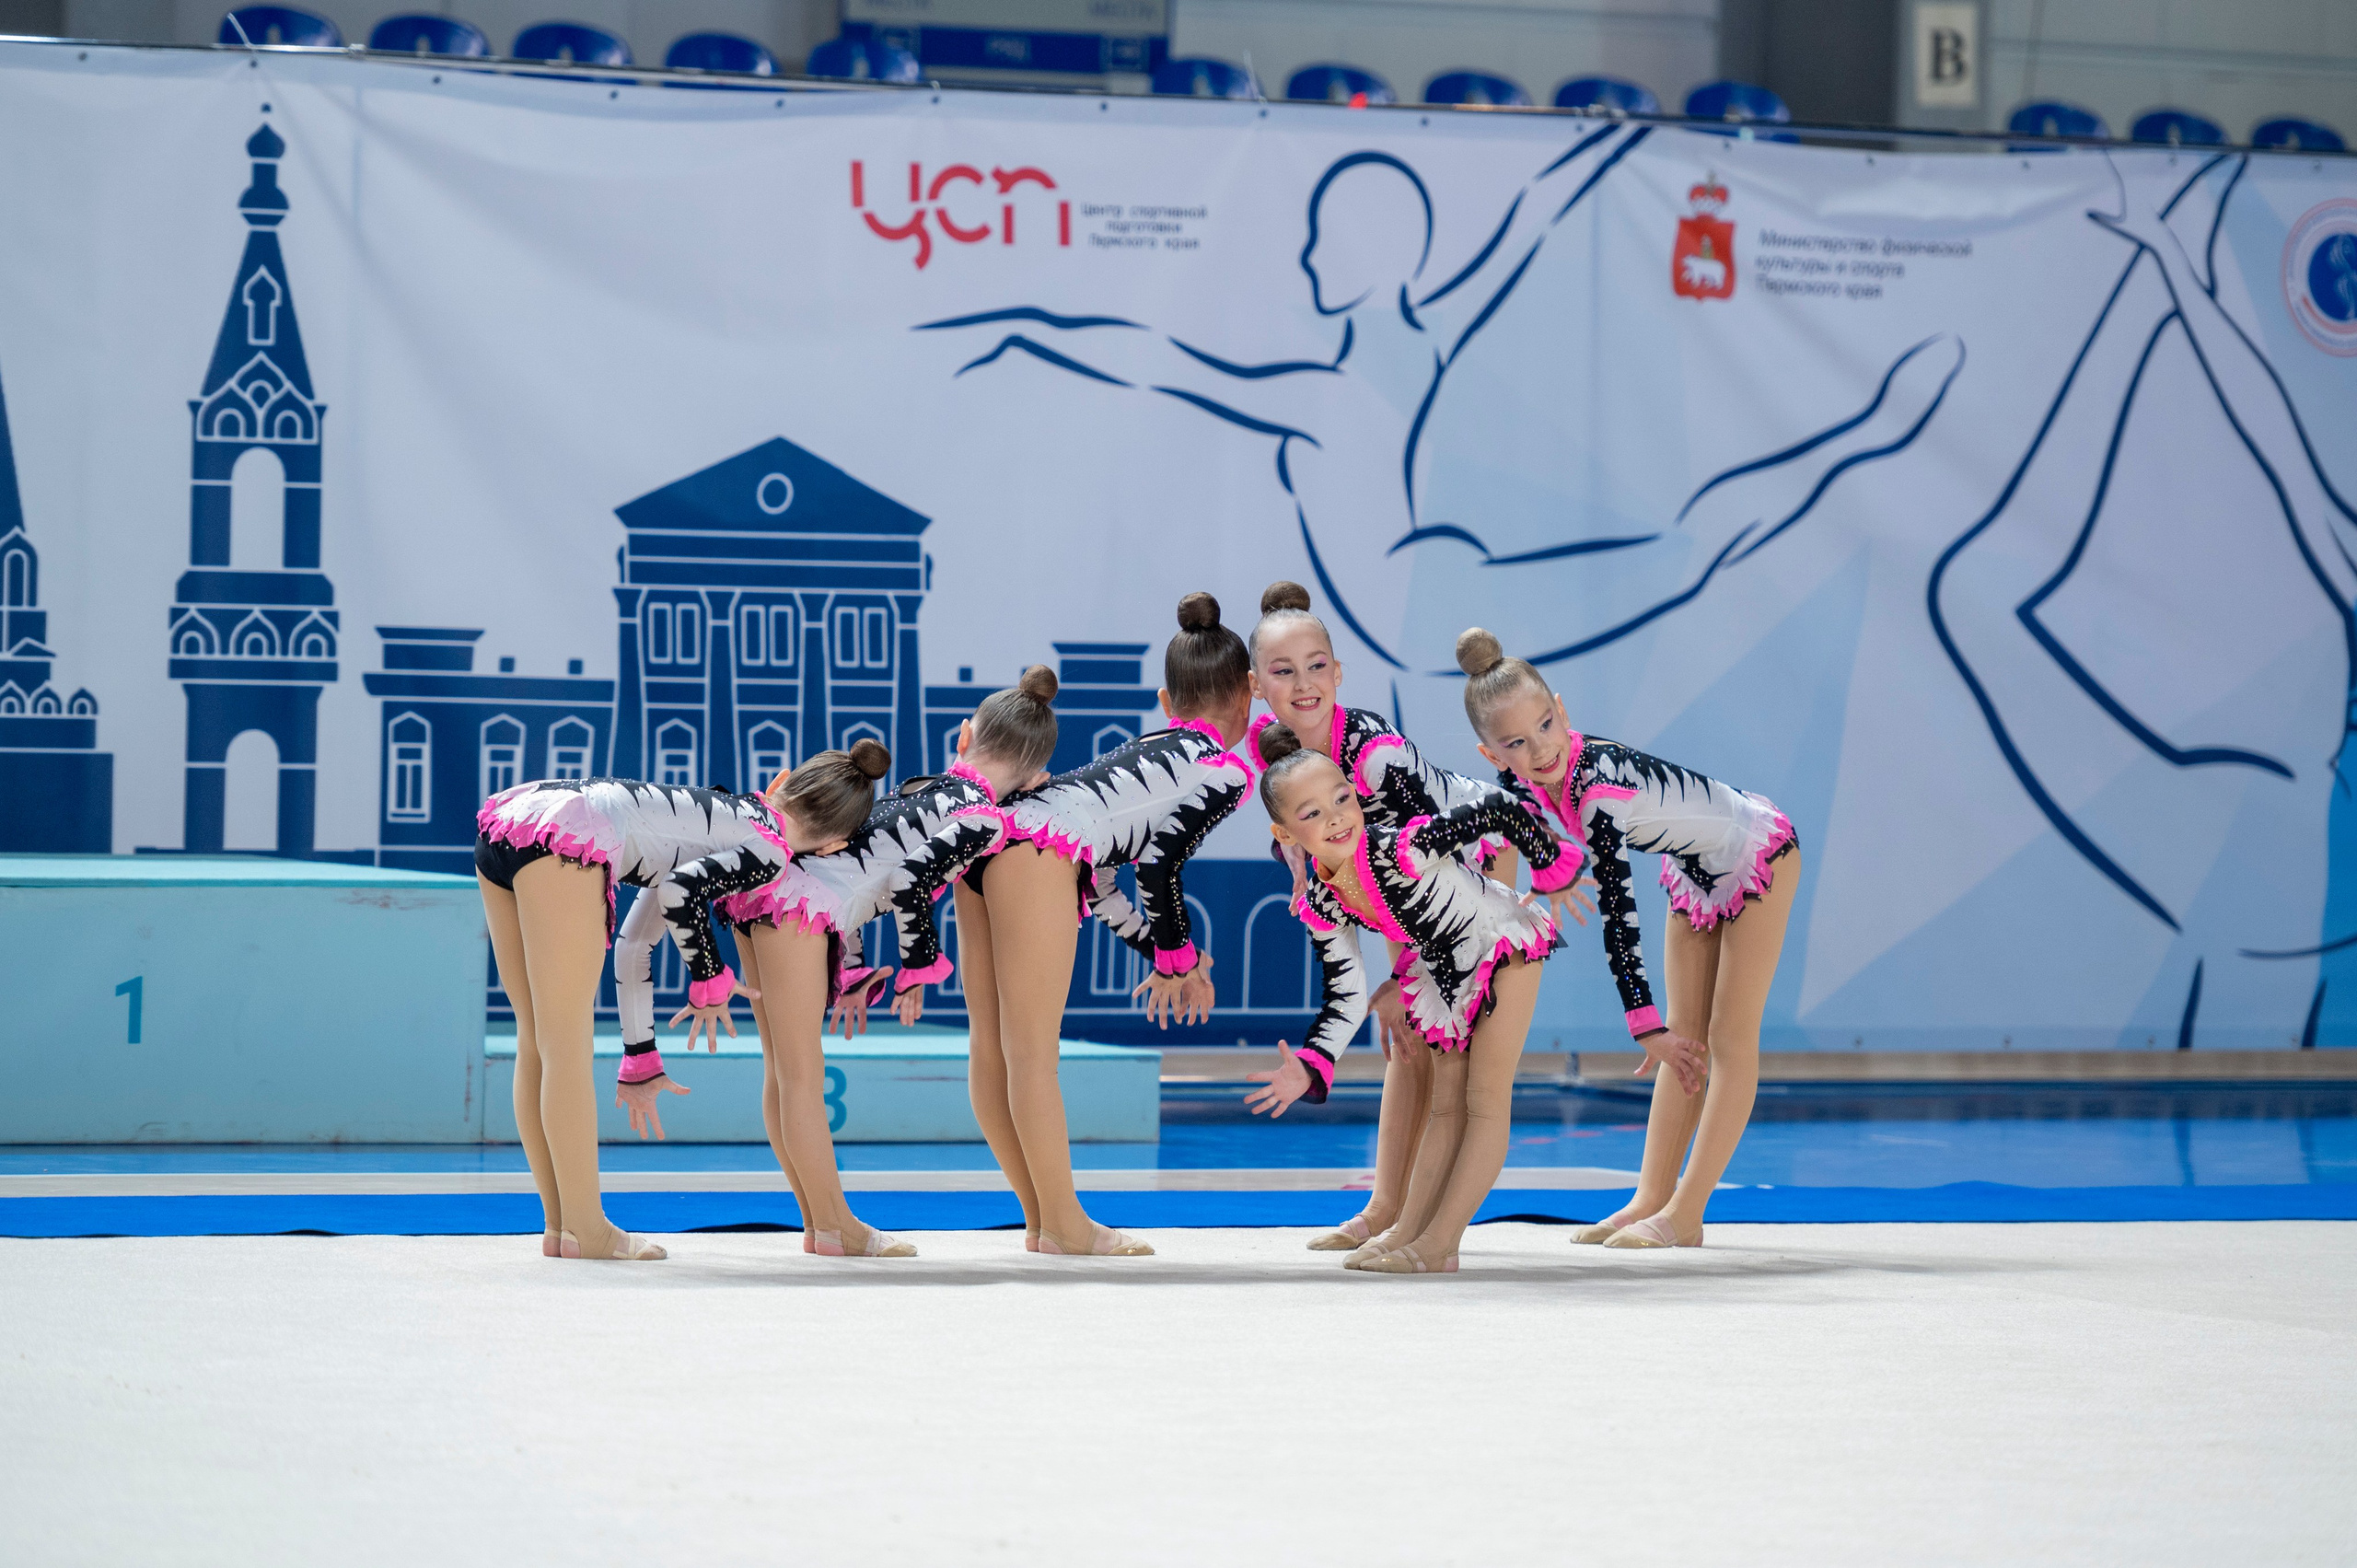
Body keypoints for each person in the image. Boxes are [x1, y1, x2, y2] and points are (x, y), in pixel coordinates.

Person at [895, 592, 1256, 1257]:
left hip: (992, 841)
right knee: (1032, 1055)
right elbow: (1159, 865)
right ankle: (1062, 1222)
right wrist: (1174, 957)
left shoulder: (1145, 749)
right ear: (1250, 691)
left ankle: (1044, 1219)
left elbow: (1105, 880)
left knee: (993, 1047)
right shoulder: (1224, 770)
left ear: (1166, 701)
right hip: (1038, 854)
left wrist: (1163, 949)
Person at [1245, 579, 1594, 1249]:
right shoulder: (1278, 754)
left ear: (1339, 671)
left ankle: (1420, 1226)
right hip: (1391, 882)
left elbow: (1436, 857)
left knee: (1430, 1040)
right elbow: (1308, 847)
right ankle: (1386, 1208)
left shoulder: (1373, 757)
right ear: (1257, 686)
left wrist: (1407, 976)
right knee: (1407, 1046)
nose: (1304, 684)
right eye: (1283, 672)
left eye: (1316, 666)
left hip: (1466, 857)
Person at [1455, 629, 1791, 1249]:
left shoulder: (1597, 788)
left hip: (1755, 850)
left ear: (1562, 710)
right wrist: (1546, 879)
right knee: (1685, 1039)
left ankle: (1687, 1210)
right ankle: (1651, 1198)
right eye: (1517, 742)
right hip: (1693, 868)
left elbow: (1618, 907)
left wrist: (1643, 1023)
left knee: (1728, 1037)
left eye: (1546, 725)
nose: (1540, 748)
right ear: (1491, 753)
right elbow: (1517, 835)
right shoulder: (1522, 786)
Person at [472, 762, 879, 1260]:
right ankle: (585, 1228)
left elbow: (635, 942)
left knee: (537, 1039)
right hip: (568, 832)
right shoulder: (770, 849)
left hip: (510, 817)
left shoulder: (708, 819)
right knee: (564, 1048)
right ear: (835, 846)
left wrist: (640, 1054)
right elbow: (680, 893)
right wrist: (711, 976)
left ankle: (561, 1225)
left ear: (778, 782)